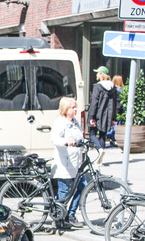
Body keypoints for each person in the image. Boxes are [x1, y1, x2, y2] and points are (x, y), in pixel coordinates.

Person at [51, 97, 86, 229]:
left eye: (75, 107)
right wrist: (67, 141)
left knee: (83, 186)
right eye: (72, 107)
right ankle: (60, 218)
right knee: (64, 192)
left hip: (76, 162)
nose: (75, 109)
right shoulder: (59, 122)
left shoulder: (75, 122)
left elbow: (80, 137)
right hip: (64, 162)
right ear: (65, 109)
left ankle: (71, 214)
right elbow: (54, 139)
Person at [88, 66, 117, 154]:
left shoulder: (98, 87)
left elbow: (94, 102)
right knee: (102, 136)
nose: (96, 74)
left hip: (98, 114)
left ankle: (100, 150)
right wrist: (113, 118)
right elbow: (115, 103)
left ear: (101, 74)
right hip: (108, 115)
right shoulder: (113, 87)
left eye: (97, 73)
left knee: (92, 134)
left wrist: (91, 116)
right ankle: (101, 157)